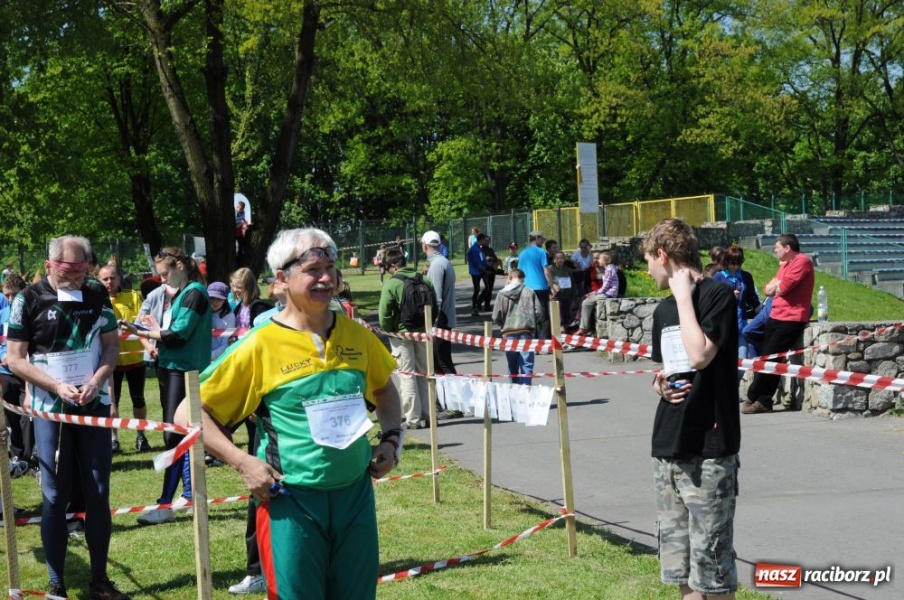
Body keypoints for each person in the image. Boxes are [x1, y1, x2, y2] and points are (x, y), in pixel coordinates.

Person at [188, 227, 402, 600]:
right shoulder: (259, 344)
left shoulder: (357, 335)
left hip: (355, 495)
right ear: (282, 279)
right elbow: (188, 412)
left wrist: (391, 439)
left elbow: (384, 389)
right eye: (313, 270)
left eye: (331, 268)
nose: (326, 279)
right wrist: (243, 462)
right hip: (290, 501)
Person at [6, 235, 129, 600]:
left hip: (92, 405)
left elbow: (111, 346)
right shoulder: (27, 299)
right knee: (55, 496)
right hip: (51, 410)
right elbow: (15, 359)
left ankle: (99, 581)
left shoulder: (96, 292)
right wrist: (56, 386)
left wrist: (97, 381)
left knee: (98, 492)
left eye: (82, 271)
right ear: (49, 265)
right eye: (68, 272)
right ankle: (56, 584)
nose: (76, 279)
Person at [644, 219, 741, 600]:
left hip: (709, 450)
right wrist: (659, 383)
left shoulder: (717, 296)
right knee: (680, 570)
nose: (648, 270)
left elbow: (699, 356)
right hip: (669, 445)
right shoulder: (662, 311)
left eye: (648, 261)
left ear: (663, 255)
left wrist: (684, 297)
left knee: (712, 571)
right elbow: (672, 367)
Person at [122, 248, 212, 525]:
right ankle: (187, 495)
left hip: (182, 372)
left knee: (174, 437)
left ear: (181, 266)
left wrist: (140, 331)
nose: (162, 280)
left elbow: (177, 335)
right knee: (180, 436)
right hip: (172, 369)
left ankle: (165, 505)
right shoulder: (183, 294)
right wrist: (153, 327)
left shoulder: (195, 293)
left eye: (165, 274)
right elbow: (171, 331)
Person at [741, 233, 814, 414]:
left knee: (770, 358)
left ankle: (753, 395)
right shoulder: (785, 264)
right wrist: (775, 286)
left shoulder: (802, 261)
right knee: (771, 359)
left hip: (791, 319)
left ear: (788, 248)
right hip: (776, 316)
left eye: (778, 247)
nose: (775, 250)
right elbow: (767, 290)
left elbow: (782, 289)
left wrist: (777, 286)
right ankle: (764, 401)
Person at [97, 265, 153, 453]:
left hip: (134, 359)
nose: (109, 282)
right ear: (99, 281)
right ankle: (113, 439)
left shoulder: (133, 297)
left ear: (119, 279)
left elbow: (143, 323)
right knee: (112, 401)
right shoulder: (97, 300)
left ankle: (141, 436)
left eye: (112, 278)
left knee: (138, 399)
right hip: (110, 362)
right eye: (105, 279)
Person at [379, 245, 435, 430]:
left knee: (407, 374)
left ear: (394, 266)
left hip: (401, 335)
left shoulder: (391, 284)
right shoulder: (424, 279)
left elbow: (384, 314)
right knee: (424, 373)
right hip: (423, 332)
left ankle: (412, 418)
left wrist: (389, 330)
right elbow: (435, 306)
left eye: (388, 268)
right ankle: (429, 414)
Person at [1, 274, 34, 471]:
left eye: (15, 294)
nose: (11, 299)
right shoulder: (3, 314)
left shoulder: (30, 311)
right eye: (7, 295)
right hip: (5, 373)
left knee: (27, 414)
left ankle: (29, 456)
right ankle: (17, 455)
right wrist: (3, 356)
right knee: (10, 415)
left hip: (25, 372)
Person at [712, 245, 761, 376]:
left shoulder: (746, 276)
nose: (735, 266)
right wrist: (729, 296)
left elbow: (752, 298)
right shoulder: (717, 277)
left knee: (742, 363)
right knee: (722, 364)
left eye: (738, 263)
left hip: (741, 326)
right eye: (732, 263)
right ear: (726, 261)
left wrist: (762, 313)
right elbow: (711, 301)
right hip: (723, 328)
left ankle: (732, 387)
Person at [492, 269, 544, 385]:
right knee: (527, 362)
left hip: (508, 331)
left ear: (510, 278)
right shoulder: (530, 291)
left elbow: (496, 315)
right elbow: (539, 311)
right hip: (526, 330)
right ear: (523, 279)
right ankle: (526, 389)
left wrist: (503, 324)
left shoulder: (502, 293)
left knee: (512, 363)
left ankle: (514, 389)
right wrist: (532, 322)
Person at [421, 231, 458, 377]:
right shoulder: (442, 262)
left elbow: (436, 298)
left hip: (440, 320)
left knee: (442, 363)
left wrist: (432, 324)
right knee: (439, 363)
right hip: (444, 317)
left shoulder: (437, 265)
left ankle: (457, 391)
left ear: (424, 246)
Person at [575, 251, 619, 336]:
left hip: (609, 293)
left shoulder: (609, 270)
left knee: (586, 302)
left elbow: (606, 286)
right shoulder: (610, 268)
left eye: (600, 259)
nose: (598, 260)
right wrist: (594, 293)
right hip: (607, 292)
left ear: (605, 261)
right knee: (586, 299)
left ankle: (583, 328)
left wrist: (594, 293)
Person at [518, 230, 552, 338]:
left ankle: (532, 339)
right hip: (540, 287)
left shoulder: (522, 253)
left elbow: (519, 272)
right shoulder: (541, 252)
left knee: (530, 314)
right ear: (537, 238)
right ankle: (545, 340)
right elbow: (546, 271)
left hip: (527, 288)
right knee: (544, 315)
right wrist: (551, 285)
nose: (542, 242)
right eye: (542, 239)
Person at [546, 250, 576, 332]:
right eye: (557, 258)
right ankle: (556, 334)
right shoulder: (549, 270)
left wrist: (573, 298)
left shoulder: (568, 270)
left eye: (562, 258)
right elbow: (545, 281)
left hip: (567, 297)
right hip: (555, 297)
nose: (560, 260)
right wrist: (552, 285)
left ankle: (565, 334)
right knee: (557, 318)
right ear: (554, 260)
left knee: (566, 318)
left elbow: (572, 283)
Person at [467, 233, 491, 317]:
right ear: (481, 240)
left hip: (481, 271)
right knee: (476, 290)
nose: (485, 242)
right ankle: (475, 306)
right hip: (476, 272)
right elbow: (477, 263)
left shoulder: (478, 248)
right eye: (484, 240)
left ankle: (478, 302)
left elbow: (482, 260)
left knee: (487, 287)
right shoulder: (474, 249)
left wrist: (487, 264)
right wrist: (485, 270)